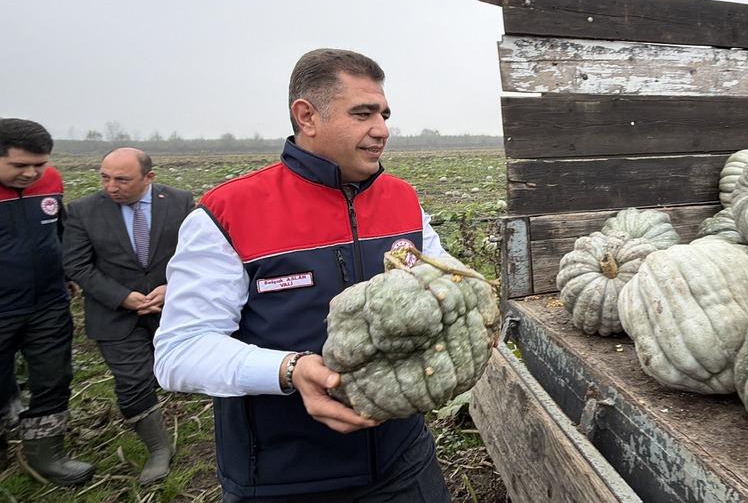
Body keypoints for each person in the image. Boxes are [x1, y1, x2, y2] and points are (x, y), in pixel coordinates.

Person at [154, 49, 454, 502]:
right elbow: (179, 351)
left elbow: (445, 284)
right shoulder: (226, 214)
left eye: (385, 114)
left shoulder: (404, 201)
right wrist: (289, 370)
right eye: (363, 113)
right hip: (285, 477)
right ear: (307, 116)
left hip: (403, 461)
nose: (382, 130)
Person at [63, 148, 194, 484]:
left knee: (186, 369)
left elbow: (196, 252)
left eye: (122, 179)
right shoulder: (82, 211)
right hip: (114, 314)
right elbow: (77, 264)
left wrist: (172, 286)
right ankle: (158, 449)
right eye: (105, 177)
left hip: (172, 308)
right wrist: (123, 298)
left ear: (149, 178)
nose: (111, 186)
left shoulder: (179, 202)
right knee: (132, 381)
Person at [0, 118, 95, 485]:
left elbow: (60, 232)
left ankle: (47, 452)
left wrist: (68, 273)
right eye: (20, 165)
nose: (31, 173)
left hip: (48, 302)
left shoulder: (51, 181)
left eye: (38, 165)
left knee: (53, 375)